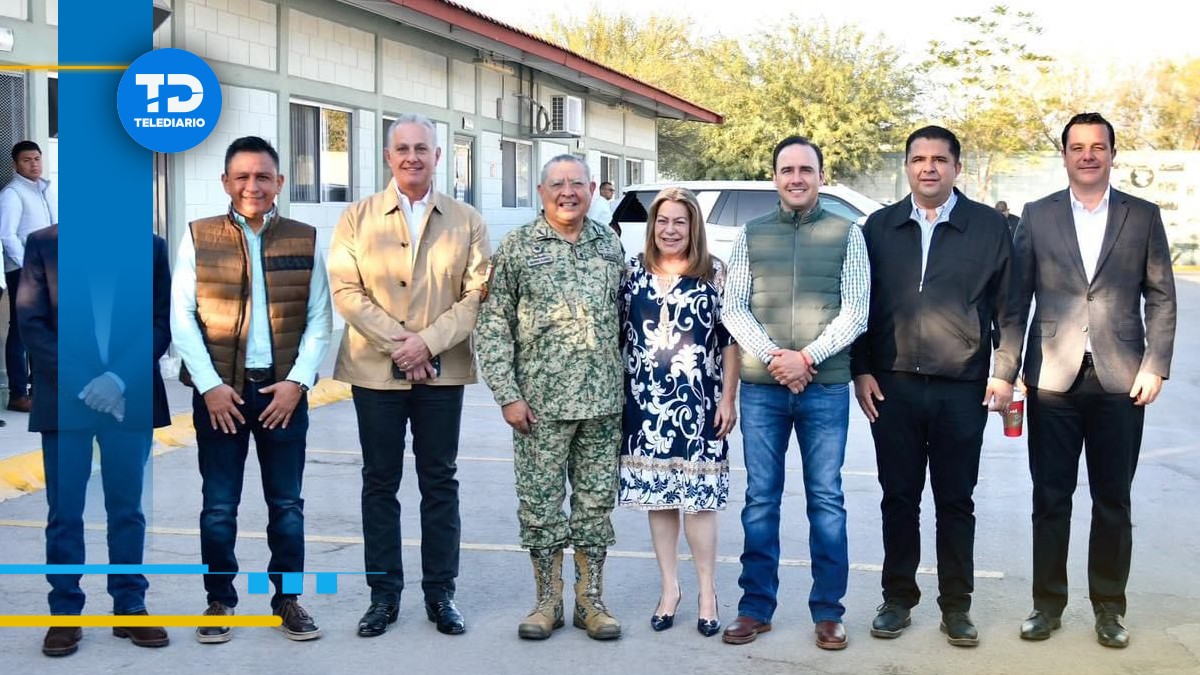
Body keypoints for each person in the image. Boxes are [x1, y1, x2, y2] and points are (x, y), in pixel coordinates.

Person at [1012, 112, 1176, 649]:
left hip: (1123, 379)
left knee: (1113, 500)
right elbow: (1015, 300)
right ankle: (1047, 606)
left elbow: (1161, 296)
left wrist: (1155, 363)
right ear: (1064, 155)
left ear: (1112, 154)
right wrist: (1008, 370)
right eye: (1077, 147)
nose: (1087, 155)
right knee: (1050, 498)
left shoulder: (1142, 215)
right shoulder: (1037, 215)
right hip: (1052, 379)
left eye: (1097, 146)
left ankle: (1109, 609)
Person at [852, 125, 1020, 648]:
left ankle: (957, 607)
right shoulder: (879, 227)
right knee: (898, 498)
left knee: (955, 501)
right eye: (919, 159)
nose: (929, 167)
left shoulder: (989, 227)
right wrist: (861, 369)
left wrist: (1004, 371)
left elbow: (1011, 308)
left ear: (956, 168)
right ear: (906, 167)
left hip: (962, 388)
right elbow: (858, 303)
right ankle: (897, 599)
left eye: (939, 160)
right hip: (893, 386)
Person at [328, 113, 490, 638]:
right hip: (375, 372)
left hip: (442, 374)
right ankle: (383, 596)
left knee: (439, 481)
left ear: (438, 156)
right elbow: (346, 292)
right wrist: (403, 346)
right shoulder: (357, 218)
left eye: (422, 148)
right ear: (388, 156)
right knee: (380, 481)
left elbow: (476, 295)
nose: (412, 157)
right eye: (403, 148)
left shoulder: (467, 220)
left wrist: (428, 344)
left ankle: (441, 593)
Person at [171, 136, 332, 643]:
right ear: (225, 182)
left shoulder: (304, 238)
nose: (252, 186)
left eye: (263, 176)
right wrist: (210, 386)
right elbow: (182, 318)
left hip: (282, 395)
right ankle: (219, 599)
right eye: (241, 176)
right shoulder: (198, 237)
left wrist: (297, 383)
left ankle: (288, 600)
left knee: (287, 506)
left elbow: (320, 319)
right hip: (222, 397)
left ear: (279, 182)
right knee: (219, 507)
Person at [720, 136, 869, 650]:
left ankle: (828, 612)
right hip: (763, 390)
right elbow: (734, 307)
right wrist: (777, 359)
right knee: (760, 499)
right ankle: (755, 607)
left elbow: (856, 311)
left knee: (826, 499)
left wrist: (805, 359)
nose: (797, 178)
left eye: (806, 169)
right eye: (787, 170)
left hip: (824, 388)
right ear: (775, 178)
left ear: (821, 176)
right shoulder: (751, 234)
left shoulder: (848, 234)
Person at [476, 154, 626, 641]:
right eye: (557, 184)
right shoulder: (518, 247)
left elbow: (626, 319)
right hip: (539, 407)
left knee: (595, 505)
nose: (568, 192)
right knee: (540, 506)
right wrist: (507, 395)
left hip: (603, 403)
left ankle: (590, 601)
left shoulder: (609, 245)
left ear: (592, 190)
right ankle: (547, 601)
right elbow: (493, 324)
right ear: (541, 192)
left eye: (577, 183)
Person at [19, 227, 173, 656]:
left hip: (129, 397)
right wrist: (87, 384)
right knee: (64, 512)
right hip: (65, 398)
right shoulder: (43, 244)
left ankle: (130, 605)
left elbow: (160, 322)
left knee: (127, 509)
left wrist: (117, 379)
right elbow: (31, 322)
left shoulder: (149, 247)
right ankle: (65, 612)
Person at [618, 187, 739, 638]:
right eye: (662, 221)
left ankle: (707, 593)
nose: (670, 230)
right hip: (645, 406)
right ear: (653, 227)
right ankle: (670, 590)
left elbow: (729, 342)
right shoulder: (633, 273)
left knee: (700, 503)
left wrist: (728, 399)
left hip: (700, 405)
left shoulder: (715, 274)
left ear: (694, 227)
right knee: (661, 499)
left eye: (679, 222)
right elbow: (618, 335)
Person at [1, 140, 58, 413]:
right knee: (21, 331)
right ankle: (18, 394)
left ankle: (39, 390)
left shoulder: (45, 190)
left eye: (37, 159)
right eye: (27, 160)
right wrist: (29, 266)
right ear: (15, 164)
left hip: (47, 271)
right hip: (23, 271)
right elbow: (7, 235)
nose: (34, 164)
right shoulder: (12, 193)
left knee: (42, 329)